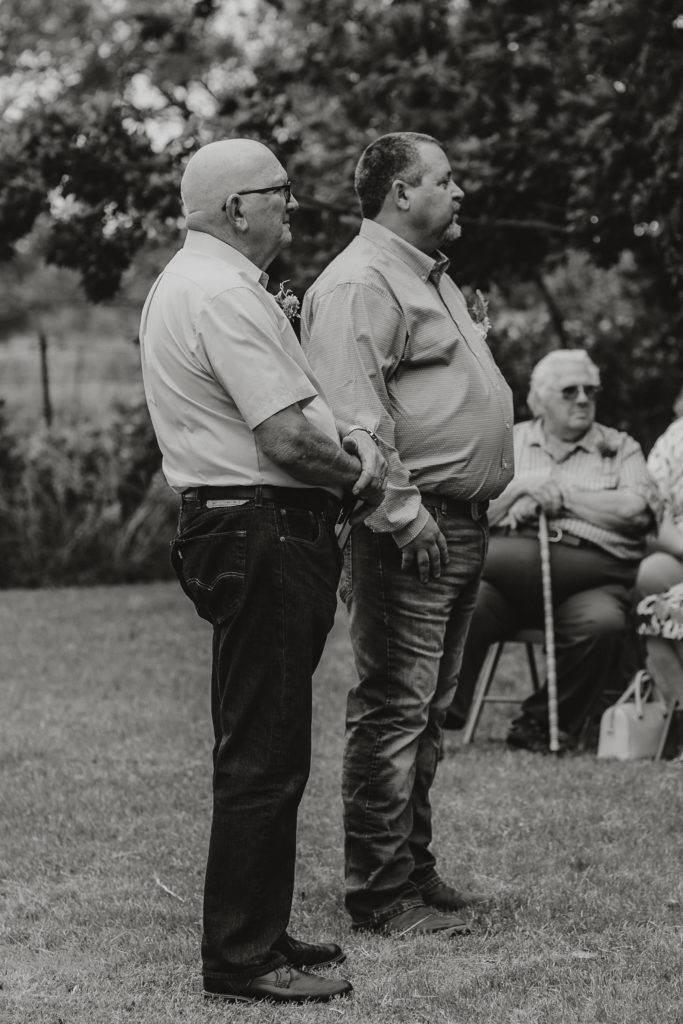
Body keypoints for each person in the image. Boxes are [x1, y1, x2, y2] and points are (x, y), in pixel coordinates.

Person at [138, 138, 388, 1005]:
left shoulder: (204, 284)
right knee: (266, 750)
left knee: (266, 739)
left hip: (246, 525)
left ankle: (262, 928)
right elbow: (282, 437)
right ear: (235, 207)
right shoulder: (218, 293)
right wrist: (361, 470)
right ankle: (242, 959)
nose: (293, 204)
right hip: (262, 527)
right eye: (280, 191)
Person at [301, 132, 514, 938]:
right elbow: (354, 415)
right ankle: (381, 895)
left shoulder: (424, 276)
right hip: (411, 528)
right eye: (444, 179)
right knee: (394, 709)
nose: (459, 191)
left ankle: (413, 873)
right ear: (398, 192)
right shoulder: (359, 282)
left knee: (427, 710)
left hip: (459, 523)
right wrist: (402, 512)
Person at [445, 349, 657, 750]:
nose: (582, 399)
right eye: (570, 391)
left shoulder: (621, 446)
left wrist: (562, 496)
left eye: (590, 390)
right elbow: (471, 508)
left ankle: (541, 724)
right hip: (507, 574)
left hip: (592, 579)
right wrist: (522, 487)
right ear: (538, 400)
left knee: (602, 625)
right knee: (464, 601)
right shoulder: (509, 441)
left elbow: (635, 511)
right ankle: (440, 714)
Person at [633, 385, 683, 709]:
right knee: (649, 579)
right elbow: (653, 508)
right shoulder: (675, 440)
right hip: (680, 547)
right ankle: (674, 714)